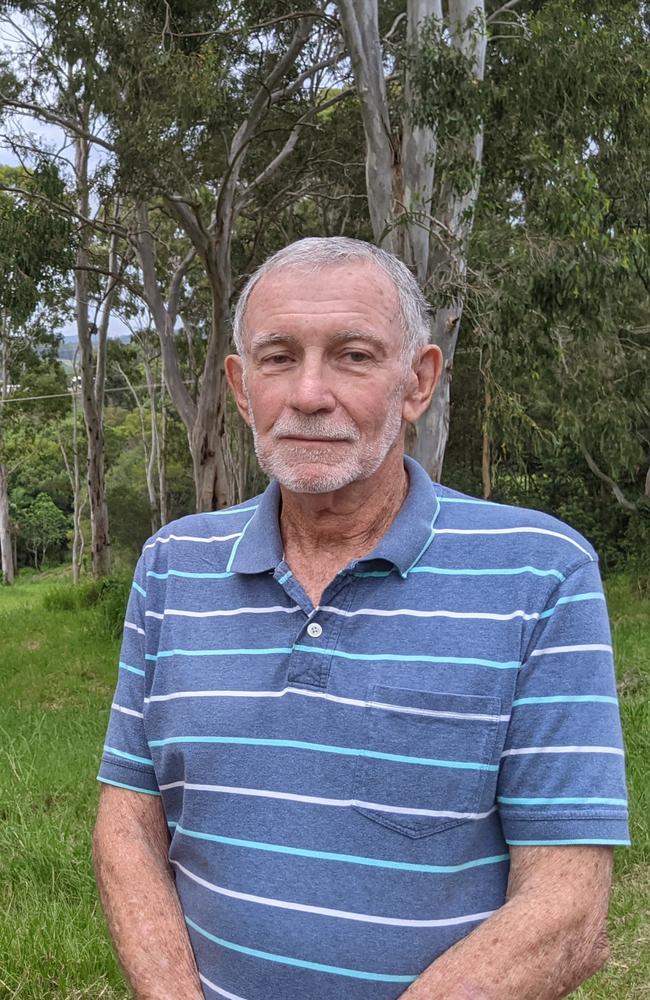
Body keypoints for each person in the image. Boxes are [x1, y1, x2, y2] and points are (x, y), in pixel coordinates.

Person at [93, 237, 629, 1000]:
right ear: (243, 390)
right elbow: (128, 819)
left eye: (352, 355)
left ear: (418, 382)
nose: (309, 393)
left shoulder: (540, 572)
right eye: (279, 358)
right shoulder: (174, 564)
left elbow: (569, 908)